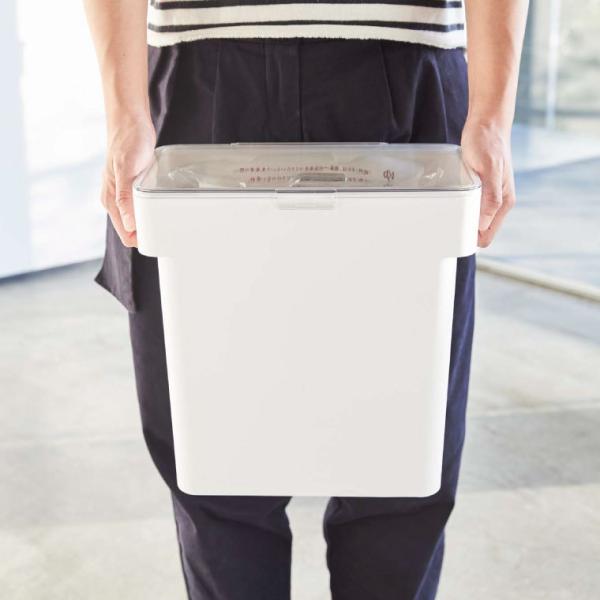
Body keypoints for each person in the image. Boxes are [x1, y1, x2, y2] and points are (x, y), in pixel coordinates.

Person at [84, 1, 528, 598]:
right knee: (214, 465)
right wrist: (124, 114)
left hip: (406, 64)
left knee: (401, 459)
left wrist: (493, 115)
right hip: (200, 73)